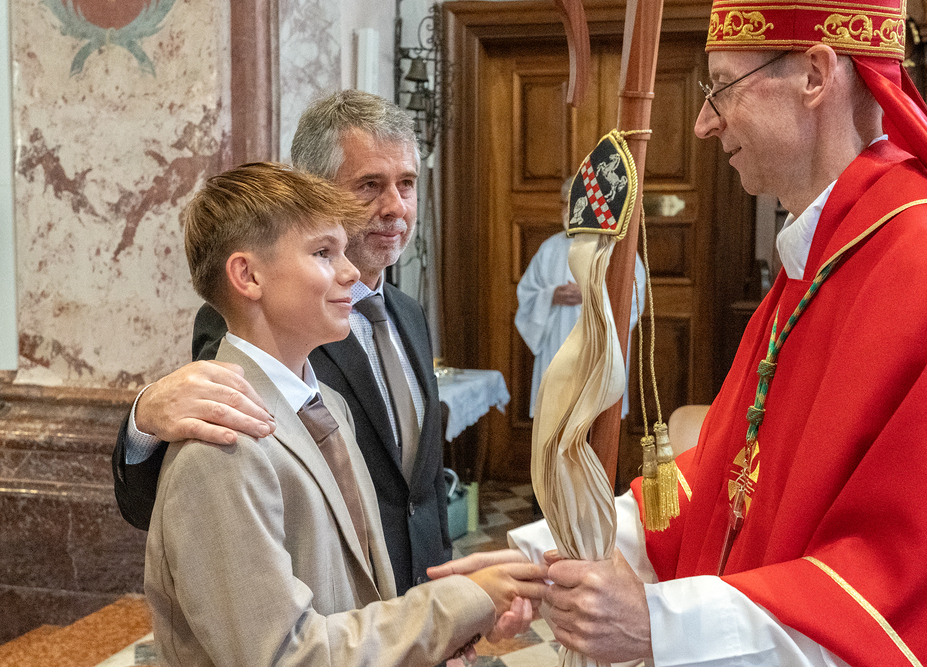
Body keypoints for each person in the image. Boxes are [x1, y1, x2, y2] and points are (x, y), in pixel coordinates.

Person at [433, 0, 927, 664]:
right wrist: (549, 554)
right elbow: (733, 477)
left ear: (815, 75)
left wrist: (658, 625)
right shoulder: (823, 254)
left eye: (723, 85)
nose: (703, 122)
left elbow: (902, 595)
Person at [145, 162, 546, 666]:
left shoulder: (328, 405)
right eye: (323, 253)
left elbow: (360, 595)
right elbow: (283, 655)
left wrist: (445, 631)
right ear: (248, 275)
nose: (352, 272)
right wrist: (458, 603)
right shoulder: (223, 445)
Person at [112, 90, 452, 595]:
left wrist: (442, 587)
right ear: (316, 192)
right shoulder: (255, 320)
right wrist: (145, 419)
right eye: (369, 185)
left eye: (406, 183)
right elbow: (202, 473)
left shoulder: (408, 313)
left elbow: (420, 484)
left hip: (413, 599)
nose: (396, 206)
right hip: (320, 601)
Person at [515, 177, 645, 418]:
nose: (566, 210)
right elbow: (527, 295)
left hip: (599, 353)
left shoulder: (617, 250)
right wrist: (551, 296)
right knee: (556, 424)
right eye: (564, 203)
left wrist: (591, 295)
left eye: (573, 202)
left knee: (597, 424)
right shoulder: (550, 248)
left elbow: (634, 300)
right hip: (556, 350)